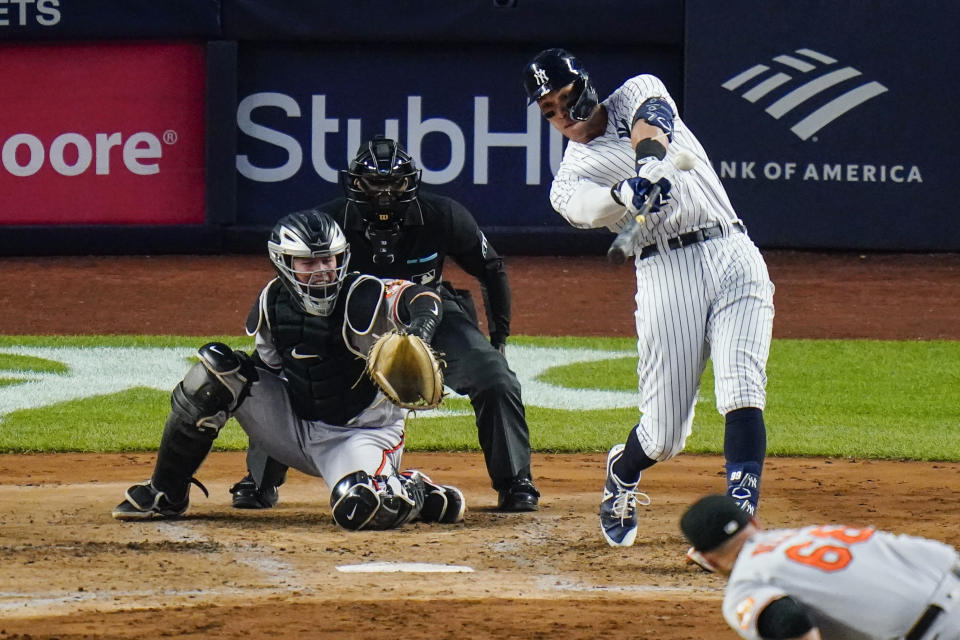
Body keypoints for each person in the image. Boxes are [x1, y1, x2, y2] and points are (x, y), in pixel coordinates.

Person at [521, 48, 775, 547]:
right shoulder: (569, 176)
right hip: (665, 272)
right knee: (664, 437)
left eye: (566, 99)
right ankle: (623, 469)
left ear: (585, 86)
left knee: (742, 389)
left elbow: (651, 123)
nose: (562, 116)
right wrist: (623, 194)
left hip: (731, 247)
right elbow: (584, 209)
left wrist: (650, 165)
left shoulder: (636, 89)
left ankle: (739, 525)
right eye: (549, 110)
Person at [228, 136, 539, 512]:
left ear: (411, 183)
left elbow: (490, 267)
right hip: (348, 323)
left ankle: (516, 481)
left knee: (495, 377)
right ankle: (259, 479)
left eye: (393, 184)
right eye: (375, 184)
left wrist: (499, 338)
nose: (385, 194)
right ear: (355, 184)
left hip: (431, 314)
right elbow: (294, 278)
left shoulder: (442, 216)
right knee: (291, 372)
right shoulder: (328, 222)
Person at [112, 210, 465, 530]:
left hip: (360, 435)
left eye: (329, 259)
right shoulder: (272, 301)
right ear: (284, 263)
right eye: (309, 263)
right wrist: (262, 475)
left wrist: (420, 331)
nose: (324, 270)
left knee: (360, 509)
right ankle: (165, 492)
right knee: (216, 372)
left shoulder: (364, 294)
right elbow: (265, 374)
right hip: (297, 425)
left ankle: (411, 489)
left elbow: (420, 298)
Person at [680, 494, 960, 640]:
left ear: (709, 559)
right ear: (754, 524)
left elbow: (788, 621)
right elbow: (945, 557)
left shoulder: (744, 583)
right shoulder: (816, 533)